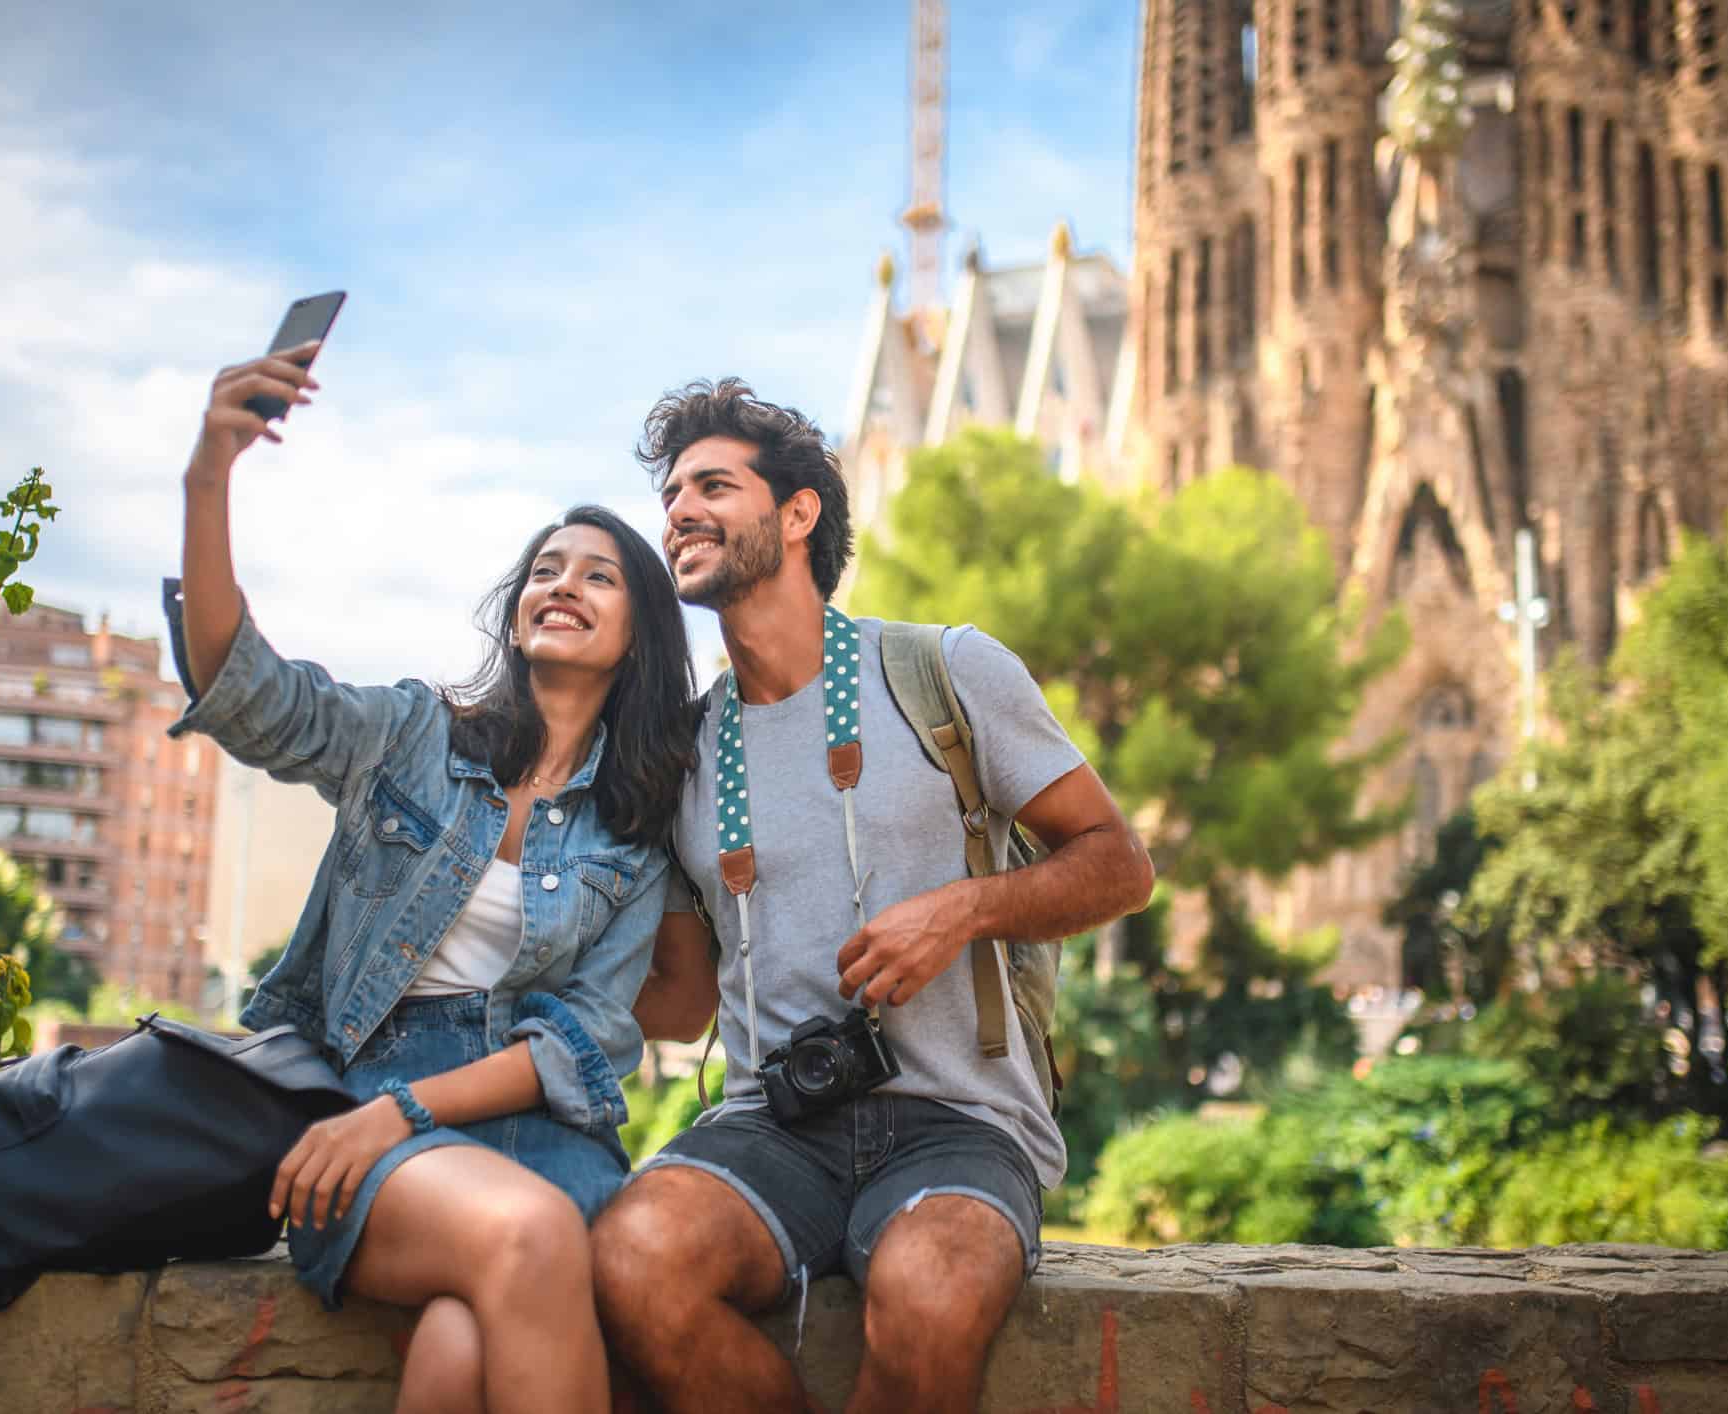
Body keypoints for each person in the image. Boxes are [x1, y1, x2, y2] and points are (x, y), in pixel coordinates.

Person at [593, 379, 1156, 1413]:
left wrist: (964, 909)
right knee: (632, 1256)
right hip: (771, 1122)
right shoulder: (682, 751)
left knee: (933, 1293)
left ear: (798, 513)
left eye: (713, 484)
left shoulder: (941, 670)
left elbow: (1121, 863)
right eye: (671, 494)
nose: (678, 510)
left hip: (962, 1120)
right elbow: (678, 1002)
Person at [167, 341, 697, 1414]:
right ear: (516, 606)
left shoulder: (634, 828)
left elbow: (583, 1042)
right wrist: (208, 477)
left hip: (533, 1126)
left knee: (458, 1349)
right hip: (356, 1107)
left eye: (598, 575)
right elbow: (248, 692)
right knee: (532, 1236)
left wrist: (410, 1109)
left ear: (640, 631)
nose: (563, 584)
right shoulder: (412, 735)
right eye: (546, 568)